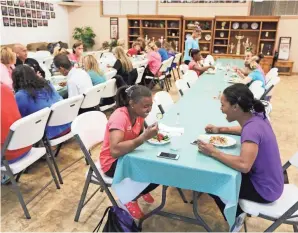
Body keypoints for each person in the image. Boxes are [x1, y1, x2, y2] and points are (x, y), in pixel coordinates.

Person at [198, 84, 284, 232]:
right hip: (273, 182)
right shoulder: (256, 116)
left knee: (211, 181)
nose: (221, 109)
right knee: (222, 170)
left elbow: (244, 165)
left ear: (236, 107)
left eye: (223, 105)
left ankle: (236, 217)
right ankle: (237, 210)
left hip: (264, 190)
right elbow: (244, 129)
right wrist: (221, 129)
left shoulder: (252, 129)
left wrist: (213, 152)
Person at [99, 85, 159, 219]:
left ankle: (138, 189)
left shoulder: (138, 115)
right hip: (112, 162)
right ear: (132, 103)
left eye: (150, 105)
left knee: (161, 166)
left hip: (128, 155)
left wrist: (148, 133)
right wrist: (143, 137)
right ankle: (130, 198)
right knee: (157, 173)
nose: (149, 110)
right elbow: (114, 151)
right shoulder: (120, 117)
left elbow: (138, 136)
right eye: (145, 106)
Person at [12, 65, 71, 140]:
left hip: (51, 133)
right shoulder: (47, 84)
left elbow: (19, 119)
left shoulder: (21, 95)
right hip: (67, 125)